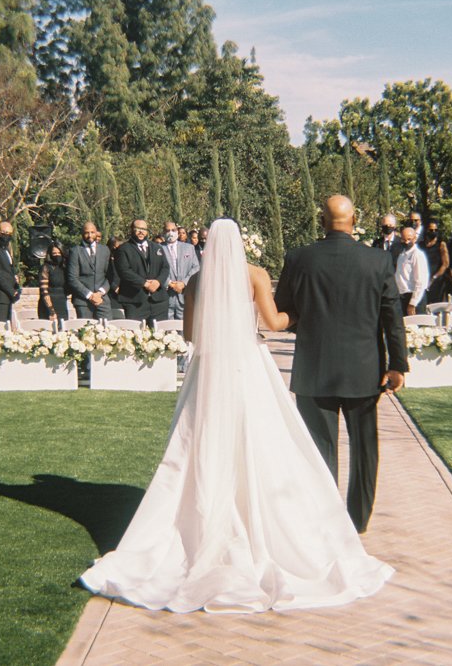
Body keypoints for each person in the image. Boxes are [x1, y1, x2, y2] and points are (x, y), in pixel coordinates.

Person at [79, 218, 394, 612]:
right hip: (249, 365)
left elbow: (191, 335)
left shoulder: (195, 281)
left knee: (201, 444)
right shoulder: (256, 275)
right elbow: (276, 322)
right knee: (263, 442)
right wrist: (298, 316)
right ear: (241, 244)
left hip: (210, 371)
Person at [275, 195, 408, 534]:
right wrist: (397, 365)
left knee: (320, 449)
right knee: (365, 449)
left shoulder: (299, 258)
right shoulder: (377, 261)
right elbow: (392, 317)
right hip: (364, 369)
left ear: (322, 220)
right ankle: (359, 520)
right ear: (354, 220)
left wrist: (308, 321)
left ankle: (325, 520)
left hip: (314, 367)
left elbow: (284, 311)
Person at [113, 218, 170, 324]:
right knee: (137, 337)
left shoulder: (157, 247)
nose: (141, 231)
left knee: (159, 336)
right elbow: (124, 271)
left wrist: (158, 282)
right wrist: (144, 283)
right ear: (131, 230)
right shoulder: (123, 249)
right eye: (138, 228)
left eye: (143, 229)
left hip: (158, 302)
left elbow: (165, 267)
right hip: (134, 301)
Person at [66, 221, 112, 320]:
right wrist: (90, 295)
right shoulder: (75, 251)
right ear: (82, 234)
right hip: (83, 301)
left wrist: (100, 293)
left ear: (96, 233)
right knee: (86, 332)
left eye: (92, 232)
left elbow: (109, 276)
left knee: (108, 331)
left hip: (102, 299)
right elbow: (72, 278)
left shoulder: (105, 250)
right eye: (87, 232)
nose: (90, 235)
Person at [162, 220, 200, 320]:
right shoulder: (157, 248)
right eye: (167, 230)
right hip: (166, 296)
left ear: (177, 231)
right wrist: (169, 283)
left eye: (173, 230)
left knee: (184, 329)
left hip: (184, 294)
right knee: (166, 330)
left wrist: (183, 283)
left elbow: (196, 267)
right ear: (163, 232)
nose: (171, 233)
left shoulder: (189, 248)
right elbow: (154, 270)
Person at [395, 226, 430, 315]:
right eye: (404, 239)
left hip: (414, 298)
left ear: (415, 239)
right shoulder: (402, 254)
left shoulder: (417, 255)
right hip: (402, 296)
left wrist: (413, 303)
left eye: (409, 239)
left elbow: (420, 281)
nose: (406, 242)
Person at [37, 242, 69, 325]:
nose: (57, 255)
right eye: (54, 253)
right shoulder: (45, 267)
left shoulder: (65, 267)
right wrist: (51, 310)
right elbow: (44, 291)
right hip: (48, 304)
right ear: (50, 254)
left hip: (62, 303)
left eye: (59, 253)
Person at [420, 217, 449, 304]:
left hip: (437, 281)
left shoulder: (441, 245)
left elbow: (445, 264)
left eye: (435, 230)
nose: (433, 232)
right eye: (431, 230)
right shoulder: (420, 245)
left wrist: (434, 277)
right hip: (423, 279)